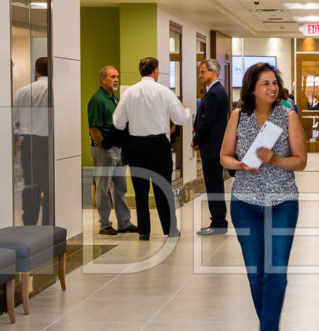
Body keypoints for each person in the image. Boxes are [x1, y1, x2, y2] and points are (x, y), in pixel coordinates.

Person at [220, 63, 307, 331]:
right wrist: (241, 164)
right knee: (255, 272)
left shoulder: (287, 116)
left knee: (276, 271)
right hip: (244, 203)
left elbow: (301, 161)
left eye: (274, 83)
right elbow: (224, 157)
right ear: (252, 89)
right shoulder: (238, 115)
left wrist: (273, 160)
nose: (272, 88)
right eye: (265, 84)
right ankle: (266, 329)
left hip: (282, 202)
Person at [112, 57, 190, 241]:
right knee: (163, 188)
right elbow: (180, 119)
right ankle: (170, 229)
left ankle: (144, 231)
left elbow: (118, 122)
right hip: (158, 145)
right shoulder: (164, 92)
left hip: (136, 146)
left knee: (140, 191)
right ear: (155, 71)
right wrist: (185, 111)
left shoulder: (129, 93)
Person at [87, 65, 134, 236]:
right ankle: (104, 224)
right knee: (103, 187)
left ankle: (124, 222)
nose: (115, 80)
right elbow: (93, 127)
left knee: (120, 187)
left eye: (116, 77)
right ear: (103, 79)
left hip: (118, 148)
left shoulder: (114, 98)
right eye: (112, 77)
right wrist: (104, 146)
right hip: (104, 150)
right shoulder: (97, 99)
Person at [192, 59, 230, 236]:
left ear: (212, 72)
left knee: (214, 185)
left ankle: (218, 222)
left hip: (212, 146)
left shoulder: (215, 93)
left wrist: (196, 138)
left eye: (202, 72)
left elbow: (207, 121)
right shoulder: (215, 91)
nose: (200, 76)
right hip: (213, 145)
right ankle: (218, 220)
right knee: (214, 184)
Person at [13, 56, 51, 225]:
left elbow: (15, 120)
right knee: (49, 186)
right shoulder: (56, 90)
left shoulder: (22, 91)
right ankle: (49, 224)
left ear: (36, 71)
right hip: (50, 143)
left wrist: (17, 140)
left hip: (29, 142)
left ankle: (29, 224)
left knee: (31, 184)